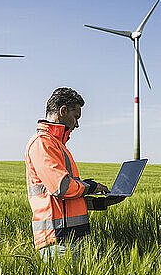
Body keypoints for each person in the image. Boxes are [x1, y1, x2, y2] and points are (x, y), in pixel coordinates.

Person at [25, 87, 124, 262]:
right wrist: (92, 186)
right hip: (59, 239)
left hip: (73, 237)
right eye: (76, 117)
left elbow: (67, 200)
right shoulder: (43, 143)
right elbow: (62, 188)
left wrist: (101, 202)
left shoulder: (58, 145)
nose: (77, 124)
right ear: (63, 111)